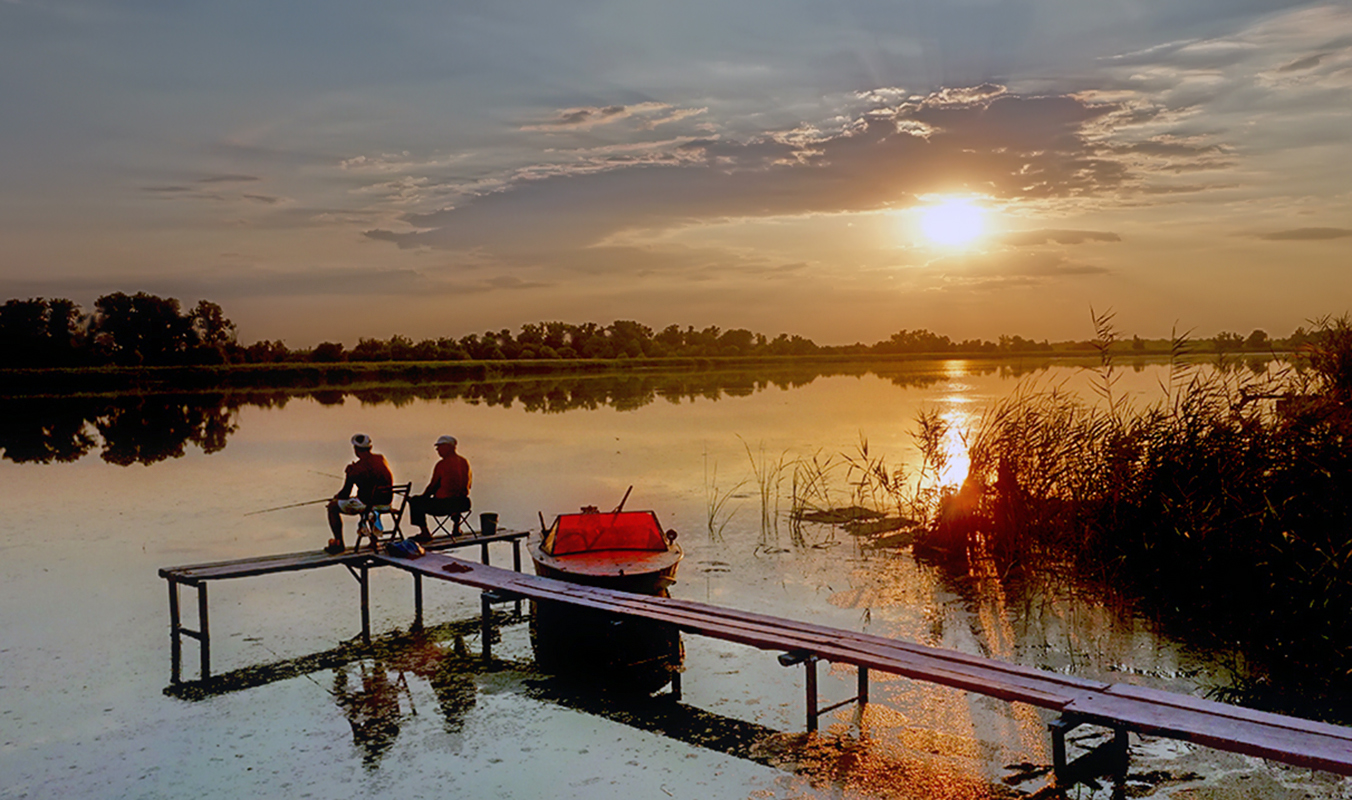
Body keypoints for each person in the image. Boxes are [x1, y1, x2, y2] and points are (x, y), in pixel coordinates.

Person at [325, 433, 395, 554]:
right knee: (364, 502)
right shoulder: (381, 459)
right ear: (370, 448)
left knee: (333, 507)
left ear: (356, 450)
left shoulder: (356, 468)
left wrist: (348, 477)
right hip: (386, 502)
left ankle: (339, 543)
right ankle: (374, 540)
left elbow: (345, 494)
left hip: (369, 504)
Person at [408, 434, 472, 542]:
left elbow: (432, 487)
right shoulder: (464, 462)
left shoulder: (442, 464)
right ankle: (456, 527)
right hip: (464, 503)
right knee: (456, 497)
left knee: (415, 501)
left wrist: (420, 498)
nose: (438, 450)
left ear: (449, 447)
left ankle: (425, 533)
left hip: (445, 506)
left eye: (440, 447)